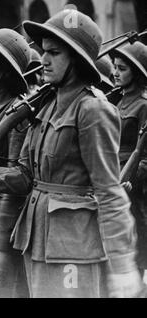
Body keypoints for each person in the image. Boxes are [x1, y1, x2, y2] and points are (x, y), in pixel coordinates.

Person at [0, 9, 144, 298]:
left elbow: (109, 191)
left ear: (76, 59)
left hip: (72, 248)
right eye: (44, 51)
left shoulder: (93, 110)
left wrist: (123, 263)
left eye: (54, 53)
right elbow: (24, 177)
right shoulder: (47, 105)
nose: (45, 60)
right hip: (35, 240)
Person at [111, 41, 147, 278]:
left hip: (132, 183)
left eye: (122, 68)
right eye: (114, 67)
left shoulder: (143, 105)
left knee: (133, 232)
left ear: (136, 72)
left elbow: (144, 155)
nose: (115, 73)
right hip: (112, 175)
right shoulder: (116, 102)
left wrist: (133, 178)